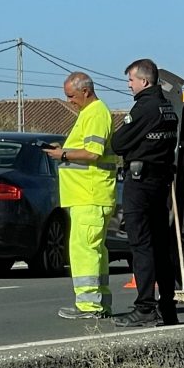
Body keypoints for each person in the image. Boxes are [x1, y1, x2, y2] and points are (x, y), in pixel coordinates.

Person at [111, 58, 180, 327]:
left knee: (141, 246)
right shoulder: (168, 109)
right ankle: (167, 307)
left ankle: (144, 307)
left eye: (131, 80)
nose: (129, 85)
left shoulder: (144, 108)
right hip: (160, 183)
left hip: (140, 182)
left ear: (144, 81)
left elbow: (119, 142)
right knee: (162, 247)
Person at [44, 72, 118, 319]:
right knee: (95, 251)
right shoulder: (91, 113)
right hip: (89, 195)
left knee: (83, 251)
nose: (69, 101)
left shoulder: (96, 113)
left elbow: (92, 153)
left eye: (71, 96)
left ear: (85, 91)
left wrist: (62, 155)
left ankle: (88, 305)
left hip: (90, 195)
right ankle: (100, 303)